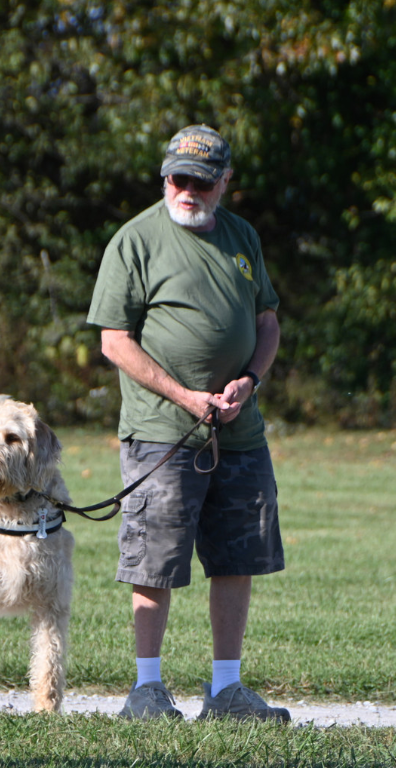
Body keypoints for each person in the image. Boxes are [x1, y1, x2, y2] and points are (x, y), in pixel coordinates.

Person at [86, 125, 289, 722]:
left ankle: (227, 691)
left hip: (240, 431)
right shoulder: (136, 241)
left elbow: (268, 320)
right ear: (164, 176)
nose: (188, 190)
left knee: (237, 556)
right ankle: (146, 691)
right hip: (161, 433)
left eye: (202, 181)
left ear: (225, 181)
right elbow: (114, 341)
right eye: (178, 178)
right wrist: (182, 394)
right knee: (156, 559)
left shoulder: (242, 236)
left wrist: (250, 378)